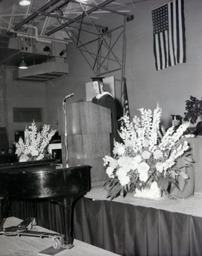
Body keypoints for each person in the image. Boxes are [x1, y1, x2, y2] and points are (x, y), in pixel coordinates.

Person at [91, 77, 121, 153]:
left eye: (95, 85)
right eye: (92, 86)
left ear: (101, 85)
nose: (94, 88)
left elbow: (110, 117)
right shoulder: (94, 99)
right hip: (97, 131)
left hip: (107, 131)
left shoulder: (107, 98)